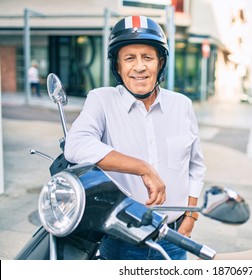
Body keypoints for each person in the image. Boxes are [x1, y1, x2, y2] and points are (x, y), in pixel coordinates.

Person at [64, 16, 206, 260]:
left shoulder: (182, 105)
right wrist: (142, 168)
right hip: (120, 241)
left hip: (173, 239)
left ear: (160, 63)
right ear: (117, 66)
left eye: (147, 57)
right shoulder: (101, 99)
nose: (139, 67)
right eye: (129, 58)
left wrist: (191, 217)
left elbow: (196, 167)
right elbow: (75, 145)